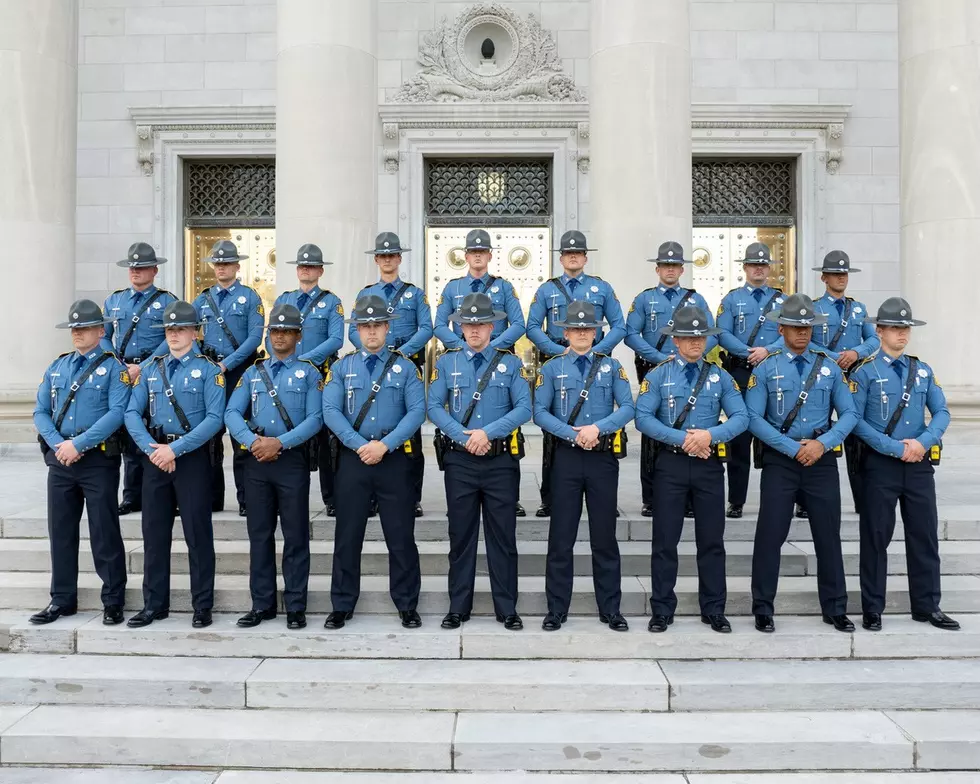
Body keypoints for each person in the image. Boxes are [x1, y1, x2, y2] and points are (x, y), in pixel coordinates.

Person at [745, 293, 857, 634]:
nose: (803, 333)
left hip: (820, 461)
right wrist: (792, 448)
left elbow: (849, 413)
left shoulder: (828, 366)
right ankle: (763, 607)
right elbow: (753, 417)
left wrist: (822, 444)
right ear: (781, 328)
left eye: (808, 327)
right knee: (770, 535)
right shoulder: (767, 367)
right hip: (782, 460)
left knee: (828, 537)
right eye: (796, 327)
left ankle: (835, 608)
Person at [634, 306, 748, 634]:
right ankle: (661, 609)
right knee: (665, 541)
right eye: (689, 336)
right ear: (676, 340)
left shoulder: (720, 376)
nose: (696, 342)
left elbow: (742, 417)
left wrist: (710, 435)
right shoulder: (658, 375)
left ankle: (714, 608)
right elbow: (643, 418)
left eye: (701, 336)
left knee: (711, 541)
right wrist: (684, 439)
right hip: (670, 464)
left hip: (709, 465)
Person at [850, 297, 959, 632]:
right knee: (876, 536)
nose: (901, 334)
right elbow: (854, 420)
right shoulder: (865, 372)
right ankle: (873, 607)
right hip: (881, 465)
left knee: (924, 535)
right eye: (894, 328)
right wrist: (894, 448)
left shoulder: (922, 370)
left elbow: (942, 412)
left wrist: (922, 443)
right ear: (879, 330)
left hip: (918, 464)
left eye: (905, 328)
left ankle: (928, 605)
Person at [322, 294, 426, 629]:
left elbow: (416, 412)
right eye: (365, 326)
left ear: (386, 328)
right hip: (354, 460)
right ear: (358, 330)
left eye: (377, 325)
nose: (371, 332)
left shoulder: (406, 367)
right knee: (347, 535)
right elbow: (331, 411)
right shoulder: (342, 367)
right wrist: (358, 445)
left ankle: (407, 604)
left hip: (393, 460)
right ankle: (342, 604)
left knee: (400, 536)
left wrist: (385, 445)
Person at [428, 293, 531, 631]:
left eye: (480, 324)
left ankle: (507, 608)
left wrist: (486, 433)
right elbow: (434, 408)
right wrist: (464, 436)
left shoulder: (510, 362)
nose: (474, 330)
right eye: (468, 324)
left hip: (500, 461)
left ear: (492, 326)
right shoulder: (447, 362)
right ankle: (458, 606)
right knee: (461, 535)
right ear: (460, 327)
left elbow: (523, 408)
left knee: (503, 536)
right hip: (460, 461)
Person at [533, 300, 634, 632]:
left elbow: (628, 407)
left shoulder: (611, 367)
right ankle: (556, 609)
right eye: (575, 329)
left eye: (587, 329)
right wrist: (571, 434)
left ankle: (611, 609)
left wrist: (597, 429)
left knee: (604, 537)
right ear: (565, 332)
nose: (581, 334)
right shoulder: (551, 368)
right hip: (566, 458)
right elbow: (540, 412)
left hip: (602, 458)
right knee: (561, 537)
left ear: (596, 332)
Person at [123, 301, 224, 629]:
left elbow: (214, 419)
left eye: (181, 329)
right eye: (169, 330)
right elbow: (131, 413)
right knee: (153, 534)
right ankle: (154, 604)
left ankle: (202, 604)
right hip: (155, 457)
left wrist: (175, 450)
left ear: (194, 333)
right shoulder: (153, 369)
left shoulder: (210, 370)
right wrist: (152, 449)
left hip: (191, 459)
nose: (175, 335)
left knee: (198, 534)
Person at [31, 300, 131, 626]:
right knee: (60, 532)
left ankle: (113, 599)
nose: (78, 333)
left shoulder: (114, 369)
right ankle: (62, 599)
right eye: (74, 328)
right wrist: (60, 444)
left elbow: (116, 414)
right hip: (62, 461)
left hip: (96, 460)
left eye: (85, 328)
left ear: (100, 331)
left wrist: (79, 444)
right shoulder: (57, 366)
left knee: (104, 532)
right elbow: (41, 411)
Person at [226, 304, 322, 631]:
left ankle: (295, 605)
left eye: (286, 331)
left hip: (290, 460)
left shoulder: (309, 372)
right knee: (259, 535)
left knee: (295, 535)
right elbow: (232, 413)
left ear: (298, 335)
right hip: (256, 460)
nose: (280, 336)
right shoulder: (253, 373)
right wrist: (252, 441)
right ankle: (262, 604)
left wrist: (279, 443)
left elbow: (315, 419)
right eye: (275, 331)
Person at [527, 230, 626, 518]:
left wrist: (600, 349)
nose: (574, 256)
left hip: (594, 361)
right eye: (568, 252)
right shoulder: (547, 289)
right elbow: (533, 325)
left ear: (585, 257)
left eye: (579, 252)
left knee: (600, 416)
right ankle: (550, 497)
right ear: (561, 258)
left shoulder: (601, 288)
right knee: (554, 431)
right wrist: (554, 350)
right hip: (558, 361)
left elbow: (619, 325)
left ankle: (604, 497)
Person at [627, 241, 717, 518]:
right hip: (654, 368)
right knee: (652, 431)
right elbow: (631, 333)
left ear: (681, 269)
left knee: (689, 425)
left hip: (691, 369)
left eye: (675, 265)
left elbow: (713, 333)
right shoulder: (644, 299)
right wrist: (657, 357)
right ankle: (651, 497)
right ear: (657, 269)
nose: (670, 270)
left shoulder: (696, 299)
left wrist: (690, 355)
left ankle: (689, 499)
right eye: (665, 265)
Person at [351, 232, 433, 517]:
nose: (387, 259)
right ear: (377, 259)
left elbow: (426, 328)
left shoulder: (415, 293)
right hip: (371, 367)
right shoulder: (365, 294)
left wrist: (402, 353)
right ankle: (372, 494)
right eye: (382, 256)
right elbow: (353, 329)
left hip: (404, 366)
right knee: (371, 421)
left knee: (410, 431)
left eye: (392, 255)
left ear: (399, 258)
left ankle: (413, 496)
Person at [102, 242, 176, 517]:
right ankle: (131, 495)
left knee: (153, 429)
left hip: (154, 372)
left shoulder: (169, 302)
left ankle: (158, 493)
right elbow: (104, 336)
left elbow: (170, 339)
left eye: (142, 267)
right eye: (132, 267)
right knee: (128, 435)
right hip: (122, 372)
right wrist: (120, 366)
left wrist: (142, 367)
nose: (135, 271)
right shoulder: (114, 301)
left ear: (154, 270)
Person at [192, 240, 264, 516]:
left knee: (241, 435)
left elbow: (254, 338)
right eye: (218, 263)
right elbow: (190, 334)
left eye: (227, 263)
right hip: (211, 374)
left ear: (236, 266)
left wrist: (227, 364)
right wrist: (207, 364)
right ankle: (213, 499)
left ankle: (247, 498)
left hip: (239, 372)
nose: (222, 268)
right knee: (210, 436)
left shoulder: (250, 297)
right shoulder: (202, 299)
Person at [273, 243, 345, 515]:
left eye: (312, 266)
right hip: (287, 377)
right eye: (302, 266)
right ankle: (286, 496)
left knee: (327, 438)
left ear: (320, 271)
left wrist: (304, 361)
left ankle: (331, 498)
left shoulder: (331, 302)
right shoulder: (284, 300)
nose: (306, 270)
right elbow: (273, 339)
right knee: (288, 430)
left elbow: (336, 339)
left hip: (319, 376)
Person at [806, 250, 880, 516]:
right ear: (824, 277)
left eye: (844, 273)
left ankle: (861, 498)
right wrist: (833, 356)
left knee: (856, 435)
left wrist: (855, 354)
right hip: (821, 376)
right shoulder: (814, 308)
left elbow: (874, 340)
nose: (840, 278)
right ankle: (805, 501)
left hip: (854, 378)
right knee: (815, 430)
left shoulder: (858, 308)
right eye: (835, 273)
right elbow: (806, 340)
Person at [716, 242, 786, 520]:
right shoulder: (732, 300)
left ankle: (786, 499)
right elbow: (722, 332)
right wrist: (748, 352)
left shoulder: (783, 300)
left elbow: (792, 332)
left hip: (775, 372)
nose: (758, 268)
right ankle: (736, 500)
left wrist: (767, 350)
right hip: (741, 372)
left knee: (779, 434)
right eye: (753, 264)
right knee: (738, 437)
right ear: (745, 268)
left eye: (763, 264)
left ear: (769, 268)